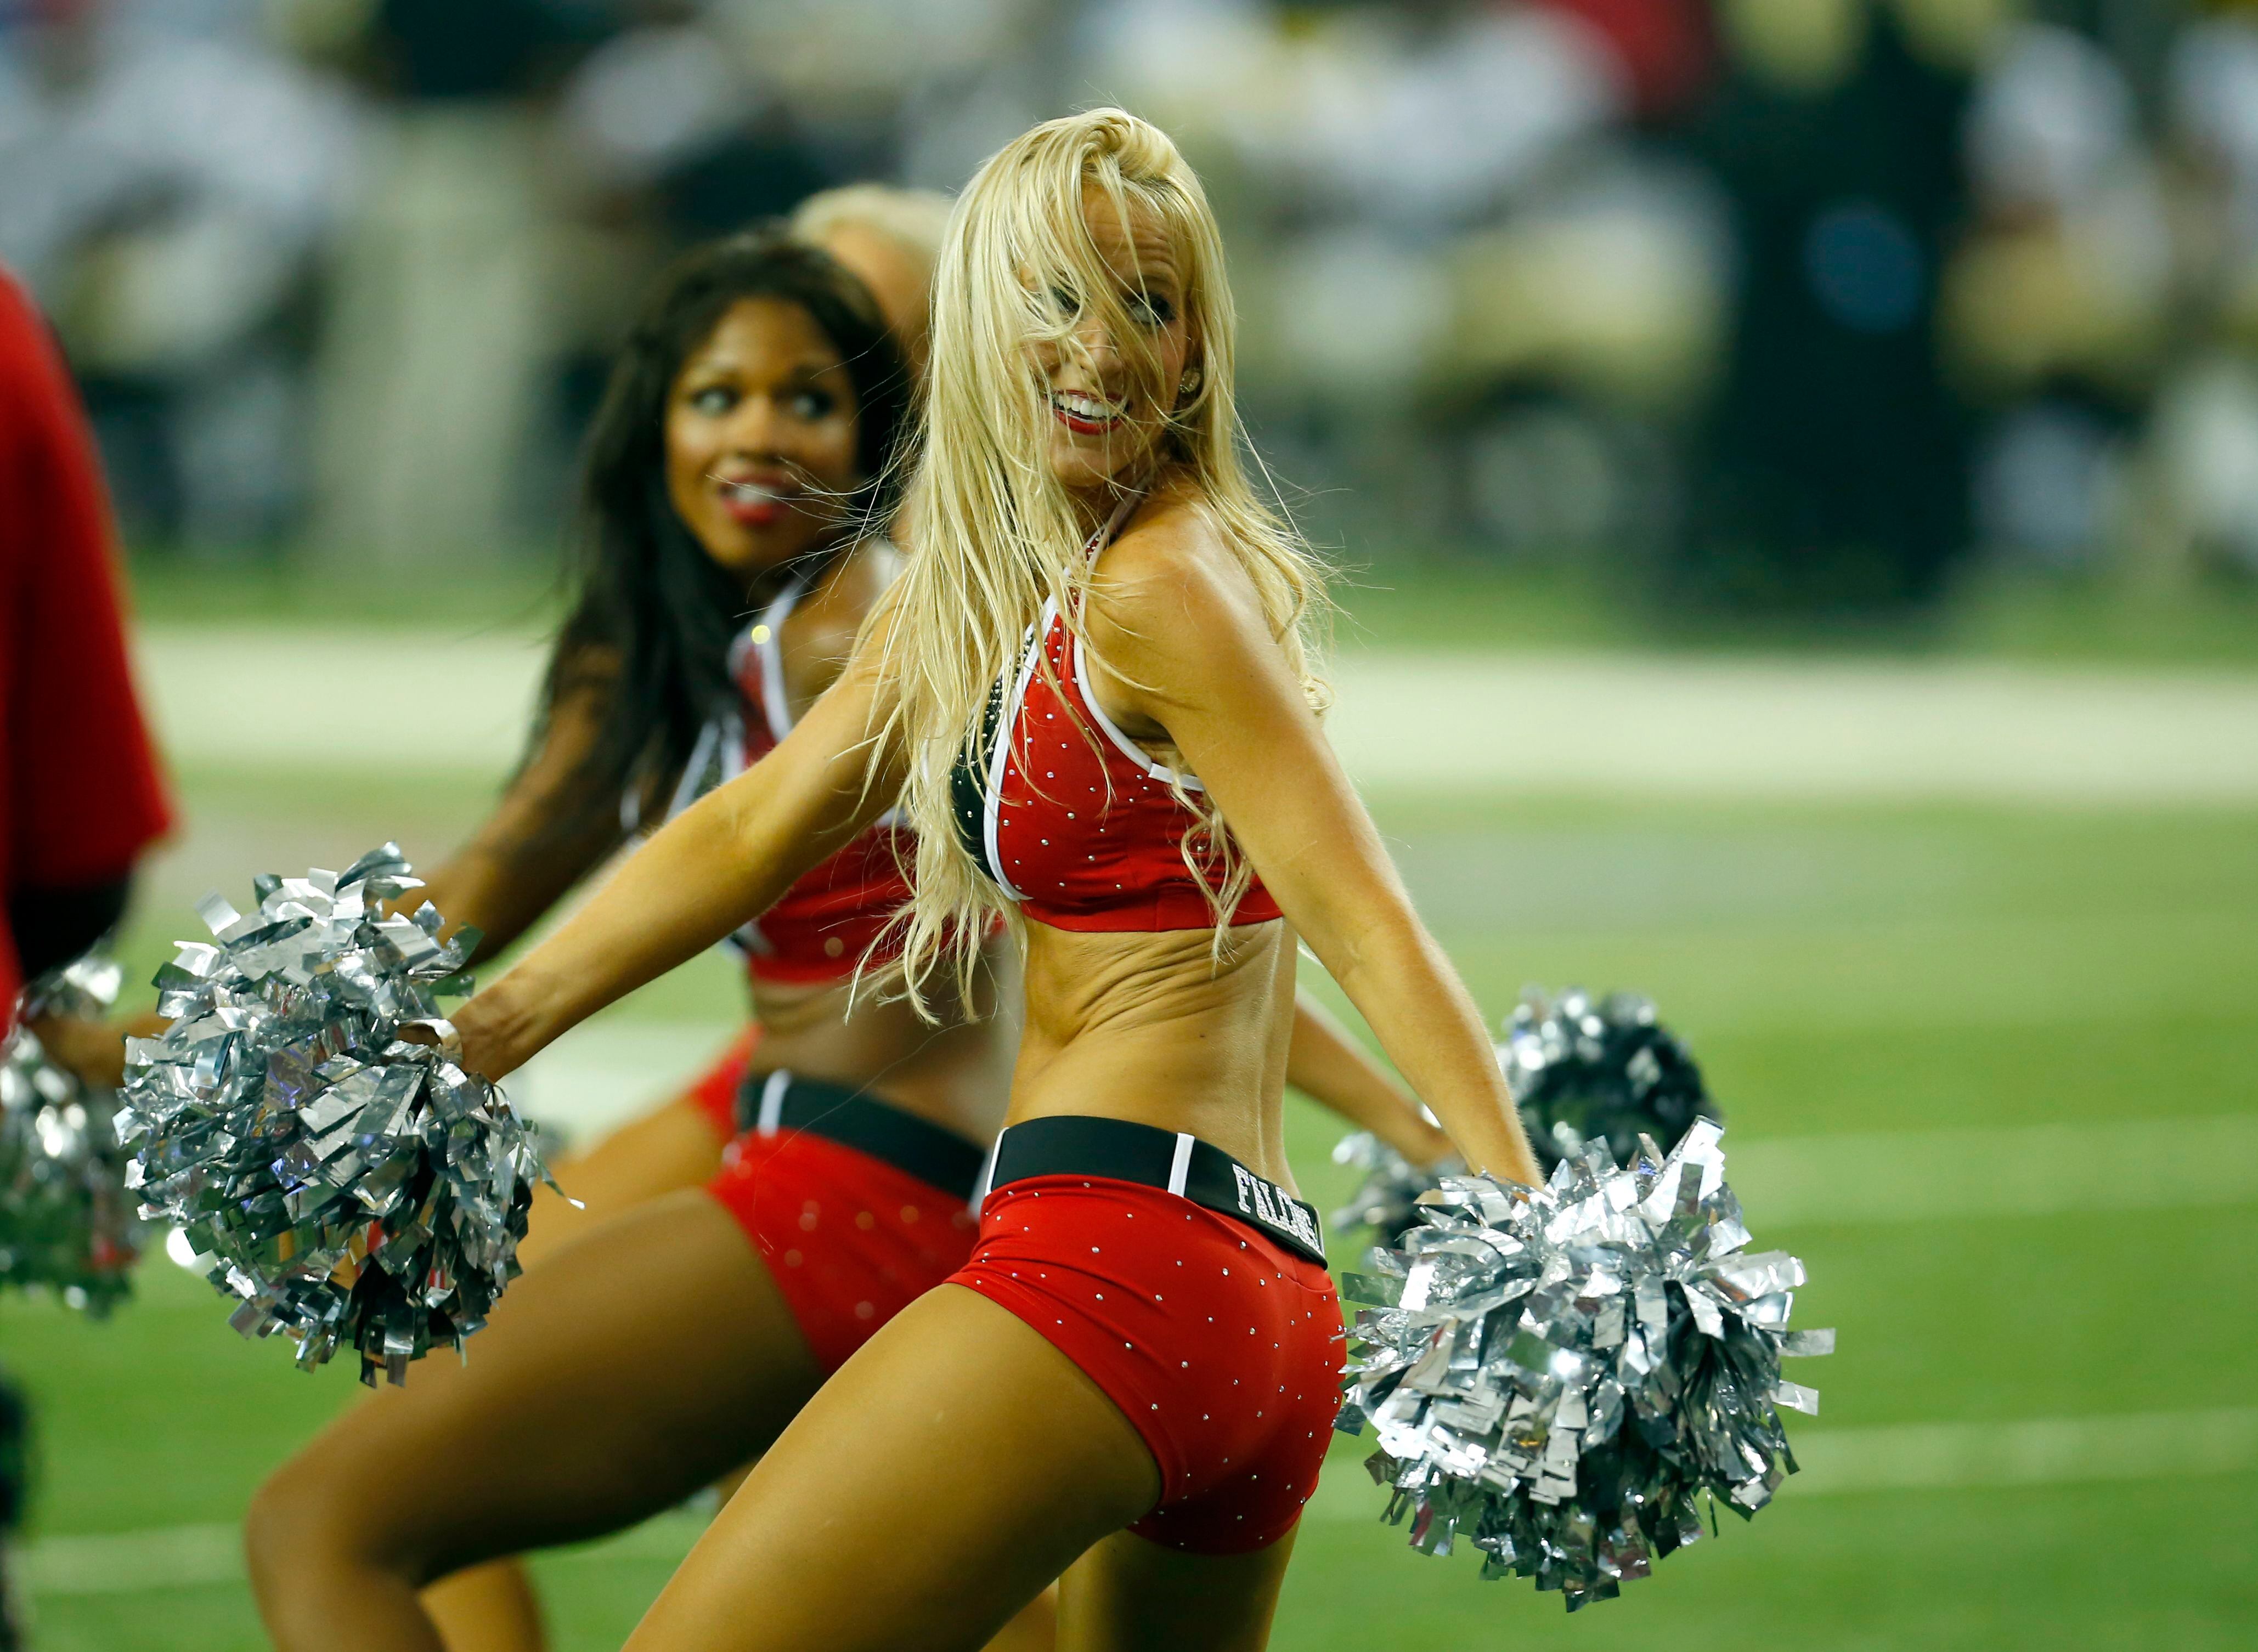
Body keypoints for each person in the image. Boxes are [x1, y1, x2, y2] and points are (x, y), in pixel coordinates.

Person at [247, 109, 1538, 1652]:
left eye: (1148, 303)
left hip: (1116, 1266)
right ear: (980, 330)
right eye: (1054, 298)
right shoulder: (1005, 606)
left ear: (1199, 347)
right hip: (1221, 1289)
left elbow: (1357, 910)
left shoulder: (1160, 585)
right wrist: (479, 1034)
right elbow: (745, 831)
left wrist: (1528, 1220)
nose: (1100, 348)